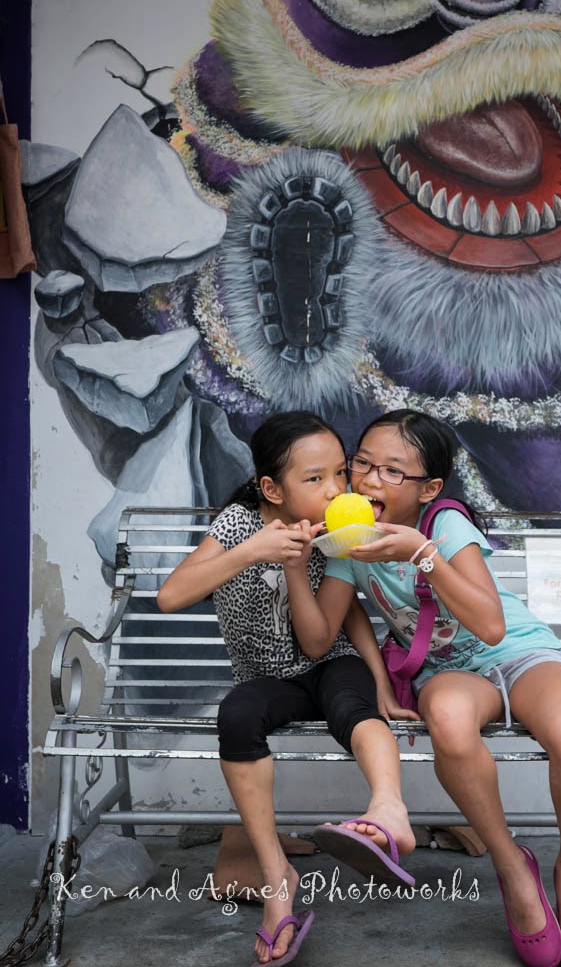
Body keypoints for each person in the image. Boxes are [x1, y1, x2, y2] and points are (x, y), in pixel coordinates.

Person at [285, 409, 561, 967]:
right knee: (451, 725)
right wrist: (297, 560)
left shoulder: (445, 525)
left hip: (520, 652)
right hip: (448, 673)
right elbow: (318, 641)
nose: (369, 481)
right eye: (362, 464)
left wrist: (419, 553)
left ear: (428, 488)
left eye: (392, 471)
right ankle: (511, 866)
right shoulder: (349, 545)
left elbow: (491, 626)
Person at [157, 410, 416, 966]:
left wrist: (300, 568)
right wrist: (252, 551)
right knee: (237, 716)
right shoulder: (236, 524)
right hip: (268, 679)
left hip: (329, 663)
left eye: (341, 475)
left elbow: (329, 637)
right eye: (316, 479)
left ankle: (387, 812)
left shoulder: (339, 536)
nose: (336, 491)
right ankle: (277, 879)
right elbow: (170, 596)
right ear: (271, 489)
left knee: (354, 701)